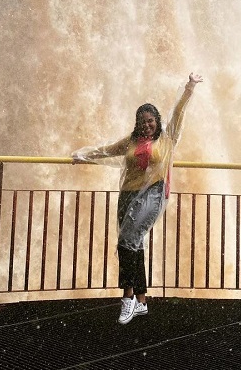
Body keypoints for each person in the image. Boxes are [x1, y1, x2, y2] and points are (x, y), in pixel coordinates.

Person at [72, 72, 203, 324]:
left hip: (153, 194)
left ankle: (127, 298)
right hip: (127, 196)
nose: (146, 125)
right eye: (142, 121)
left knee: (126, 242)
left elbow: (179, 111)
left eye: (151, 120)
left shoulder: (167, 138)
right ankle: (142, 300)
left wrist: (189, 87)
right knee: (135, 245)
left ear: (157, 121)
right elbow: (107, 150)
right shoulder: (132, 141)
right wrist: (84, 156)